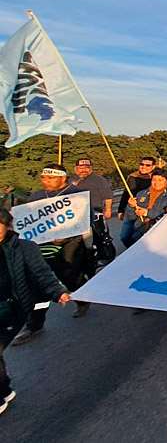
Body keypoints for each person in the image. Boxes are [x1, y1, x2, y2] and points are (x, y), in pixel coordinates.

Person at [0, 207, 70, 415]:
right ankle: (4, 389)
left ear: (7, 226)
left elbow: (41, 273)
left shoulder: (25, 248)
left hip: (13, 308)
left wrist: (57, 292)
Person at [11, 165, 88, 345]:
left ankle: (82, 298)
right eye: (43, 178)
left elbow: (86, 219)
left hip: (70, 241)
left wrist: (67, 236)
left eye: (50, 178)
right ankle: (34, 325)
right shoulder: (36, 197)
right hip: (42, 244)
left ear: (63, 178)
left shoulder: (77, 194)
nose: (45, 181)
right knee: (37, 282)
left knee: (68, 275)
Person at [123, 168, 167, 246]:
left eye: (160, 180)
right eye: (154, 180)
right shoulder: (141, 194)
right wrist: (131, 206)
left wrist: (147, 212)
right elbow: (131, 217)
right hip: (140, 233)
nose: (156, 183)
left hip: (162, 234)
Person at [119, 157, 155, 247]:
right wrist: (121, 210)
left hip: (144, 210)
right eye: (142, 164)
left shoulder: (154, 178)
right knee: (124, 236)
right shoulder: (132, 176)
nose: (144, 167)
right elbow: (126, 193)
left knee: (138, 236)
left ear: (153, 167)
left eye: (147, 165)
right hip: (131, 208)